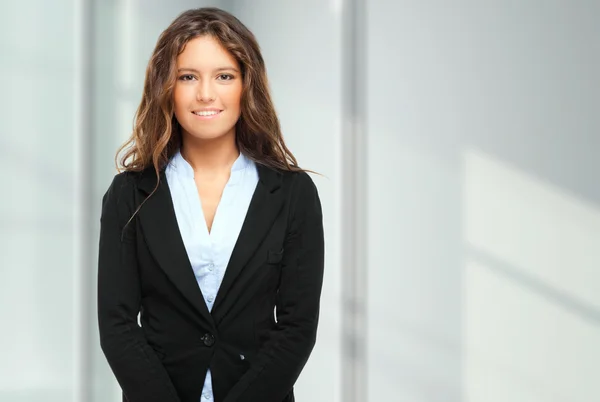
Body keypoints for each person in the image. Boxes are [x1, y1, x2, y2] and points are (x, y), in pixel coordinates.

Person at [97, 7, 325, 402]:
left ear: (245, 86)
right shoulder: (129, 194)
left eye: (224, 76)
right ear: (166, 87)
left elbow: (297, 327)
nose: (206, 94)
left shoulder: (292, 194)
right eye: (188, 77)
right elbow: (117, 325)